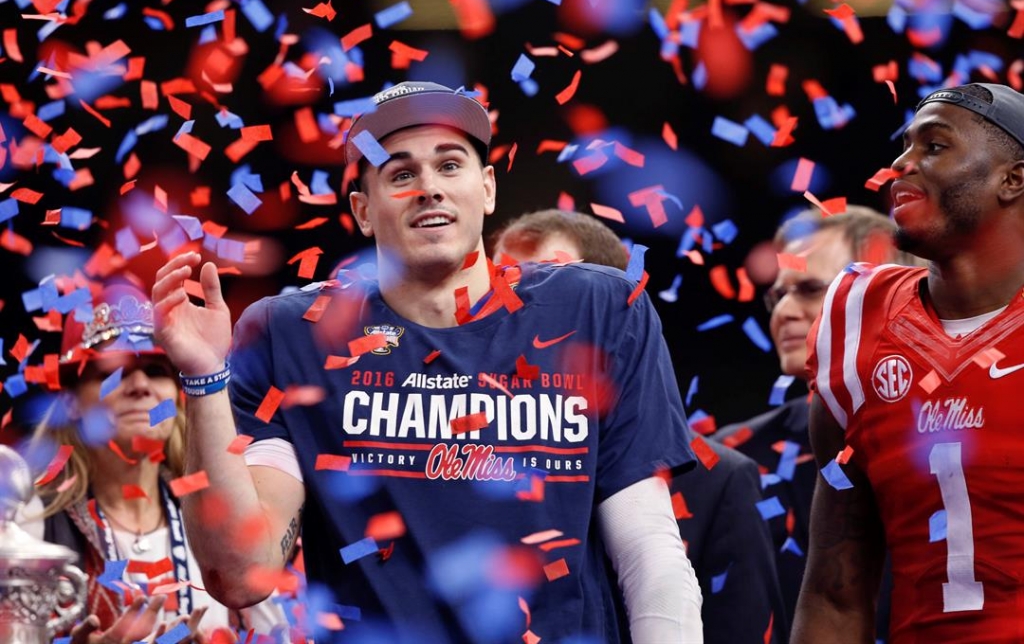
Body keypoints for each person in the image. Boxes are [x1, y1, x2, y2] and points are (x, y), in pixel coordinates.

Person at [152, 81, 703, 643]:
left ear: (486, 188)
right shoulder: (293, 335)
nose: (429, 189)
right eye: (401, 174)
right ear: (363, 212)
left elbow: (649, 549)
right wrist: (203, 377)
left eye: (450, 164)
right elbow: (242, 575)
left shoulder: (597, 308)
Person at [792, 81, 1024, 643]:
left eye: (934, 146)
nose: (901, 163)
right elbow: (834, 590)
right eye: (905, 146)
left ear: (1012, 178)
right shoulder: (856, 315)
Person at [493, 208, 787, 644]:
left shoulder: (719, 479)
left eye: (550, 283)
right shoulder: (478, 464)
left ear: (608, 302)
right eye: (504, 285)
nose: (520, 307)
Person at [25, 282, 287, 643]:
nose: (140, 386)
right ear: (72, 402)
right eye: (110, 373)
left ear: (178, 395)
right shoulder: (26, 523)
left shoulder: (225, 518)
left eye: (157, 371)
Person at [713, 205, 914, 630]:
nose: (782, 311)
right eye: (777, 294)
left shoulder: (958, 429)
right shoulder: (732, 455)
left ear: (886, 294)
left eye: (807, 289)